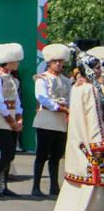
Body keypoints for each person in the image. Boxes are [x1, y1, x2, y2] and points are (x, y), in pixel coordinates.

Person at [51, 50, 104, 211]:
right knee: (93, 180)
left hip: (77, 140)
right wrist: (98, 143)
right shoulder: (91, 89)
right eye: (96, 68)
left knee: (78, 179)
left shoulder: (77, 86)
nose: (99, 71)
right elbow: (94, 118)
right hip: (89, 141)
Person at [32, 43, 72, 197]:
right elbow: (42, 98)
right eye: (55, 61)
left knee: (56, 156)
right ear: (48, 62)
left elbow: (70, 97)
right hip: (47, 119)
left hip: (61, 121)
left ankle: (54, 186)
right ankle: (36, 186)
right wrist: (61, 108)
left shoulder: (66, 80)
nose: (58, 64)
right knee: (41, 155)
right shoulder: (43, 79)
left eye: (60, 61)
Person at [0, 43, 25, 196]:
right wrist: (11, 121)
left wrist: (19, 118)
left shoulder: (12, 78)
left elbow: (17, 101)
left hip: (12, 117)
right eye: (17, 60)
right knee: (6, 153)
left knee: (10, 154)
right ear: (10, 60)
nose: (18, 63)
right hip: (2, 119)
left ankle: (3, 185)